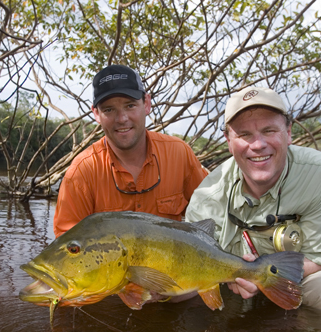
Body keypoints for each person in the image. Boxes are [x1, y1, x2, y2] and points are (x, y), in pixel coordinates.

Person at [185, 86, 321, 312]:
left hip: (299, 275)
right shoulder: (206, 197)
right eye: (244, 134)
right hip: (228, 281)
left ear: (289, 132)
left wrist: (263, 277)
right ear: (228, 140)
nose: (257, 145)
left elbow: (318, 258)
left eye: (269, 130)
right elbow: (193, 265)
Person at [54, 65, 208, 237]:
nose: (122, 119)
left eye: (130, 106)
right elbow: (68, 247)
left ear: (147, 104)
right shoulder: (80, 173)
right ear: (96, 114)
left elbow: (213, 213)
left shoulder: (179, 154)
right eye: (109, 110)